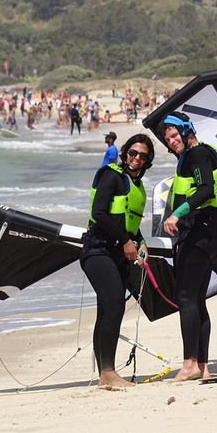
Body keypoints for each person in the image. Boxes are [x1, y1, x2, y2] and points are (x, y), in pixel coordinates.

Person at [80, 134, 155, 387]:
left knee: (107, 309)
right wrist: (125, 241)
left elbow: (130, 224)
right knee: (114, 305)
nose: (136, 159)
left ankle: (105, 374)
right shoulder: (111, 175)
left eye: (143, 156)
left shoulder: (137, 186)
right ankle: (108, 372)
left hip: (116, 256)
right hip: (97, 251)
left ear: (147, 161)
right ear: (125, 153)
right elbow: (98, 213)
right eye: (133, 153)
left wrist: (141, 241)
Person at [158, 111, 217, 381]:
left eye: (174, 136)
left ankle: (189, 363)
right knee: (197, 300)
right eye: (167, 139)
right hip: (212, 235)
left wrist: (177, 213)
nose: (171, 141)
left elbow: (206, 189)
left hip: (199, 236)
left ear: (187, 130)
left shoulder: (197, 155)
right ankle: (203, 366)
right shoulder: (206, 153)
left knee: (185, 298)